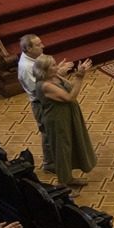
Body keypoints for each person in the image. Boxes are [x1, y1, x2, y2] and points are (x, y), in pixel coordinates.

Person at [32, 55, 95, 192]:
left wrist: (63, 72)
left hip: (66, 116)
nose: (57, 67)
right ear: (45, 70)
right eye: (53, 66)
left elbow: (68, 86)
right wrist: (79, 77)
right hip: (57, 120)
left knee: (69, 146)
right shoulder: (46, 85)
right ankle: (62, 184)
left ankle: (69, 178)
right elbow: (70, 97)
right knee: (62, 150)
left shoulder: (54, 77)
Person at [17, 34, 73, 173]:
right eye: (38, 44)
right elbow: (38, 89)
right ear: (28, 48)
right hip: (41, 104)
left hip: (48, 100)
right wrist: (58, 73)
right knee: (48, 133)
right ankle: (50, 163)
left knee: (53, 132)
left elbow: (44, 76)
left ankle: (57, 159)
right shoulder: (26, 67)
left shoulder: (36, 58)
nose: (43, 46)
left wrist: (55, 71)